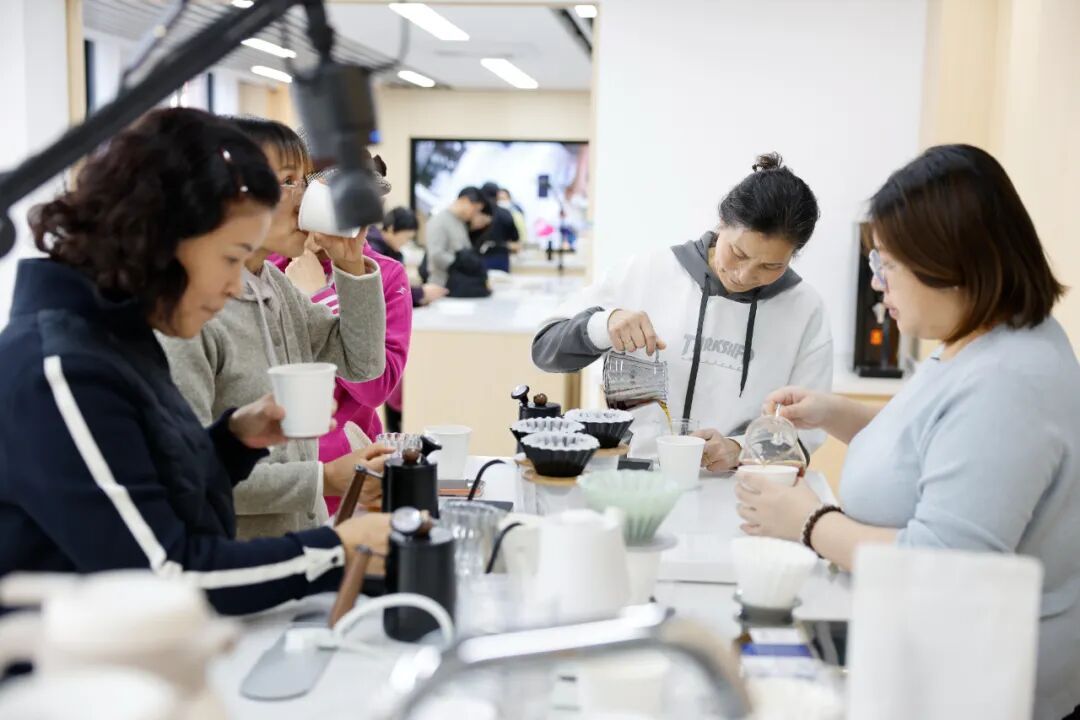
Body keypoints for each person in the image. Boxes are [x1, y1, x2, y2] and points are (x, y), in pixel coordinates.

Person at [0, 108, 390, 616]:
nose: (233, 286)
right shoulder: (60, 369)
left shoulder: (117, 334)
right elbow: (165, 574)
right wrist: (337, 551)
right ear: (162, 239)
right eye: (230, 258)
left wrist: (232, 442)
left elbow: (154, 484)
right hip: (73, 657)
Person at [736, 145, 1080, 720]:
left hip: (978, 688)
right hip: (927, 656)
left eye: (888, 266)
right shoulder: (983, 339)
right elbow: (941, 450)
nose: (878, 285)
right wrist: (835, 413)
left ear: (952, 264)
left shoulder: (1009, 382)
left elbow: (943, 564)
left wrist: (809, 522)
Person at [159, 117, 389, 540]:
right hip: (232, 553)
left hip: (295, 540)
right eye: (287, 181)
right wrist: (322, 479)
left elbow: (362, 363)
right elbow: (185, 475)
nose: (304, 198)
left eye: (304, 181)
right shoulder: (190, 309)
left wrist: (351, 264)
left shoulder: (273, 284)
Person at [532, 153, 830, 468]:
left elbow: (806, 432)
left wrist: (739, 449)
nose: (744, 275)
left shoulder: (804, 309)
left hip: (738, 487)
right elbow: (544, 349)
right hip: (634, 478)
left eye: (771, 266)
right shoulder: (648, 272)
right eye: (738, 253)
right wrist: (603, 325)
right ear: (722, 223)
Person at [262, 136, 412, 518]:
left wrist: (323, 294)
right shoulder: (266, 267)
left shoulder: (382, 274)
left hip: (350, 474)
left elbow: (375, 387)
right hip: (271, 472)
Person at [368, 207, 448, 308]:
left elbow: (399, 288)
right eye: (407, 238)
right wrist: (421, 293)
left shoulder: (394, 253)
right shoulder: (373, 252)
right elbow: (387, 291)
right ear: (391, 228)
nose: (406, 242)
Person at [423, 186, 489, 288]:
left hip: (458, 283)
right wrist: (459, 263)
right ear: (465, 201)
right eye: (475, 210)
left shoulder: (460, 223)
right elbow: (436, 254)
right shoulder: (439, 221)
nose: (475, 214)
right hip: (441, 285)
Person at [471, 181, 521, 272]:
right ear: (497, 194)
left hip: (478, 256)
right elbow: (515, 239)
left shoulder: (476, 213)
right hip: (501, 257)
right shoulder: (506, 213)